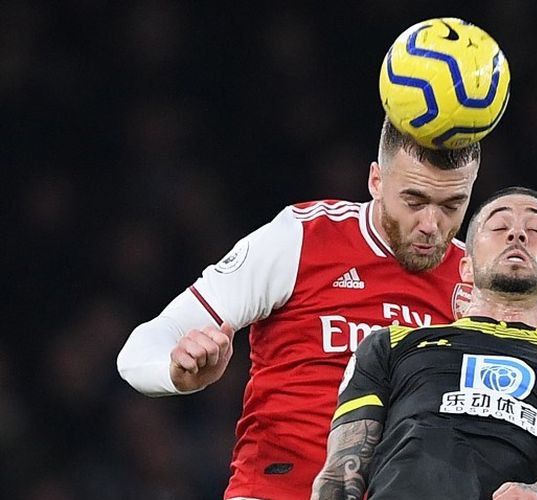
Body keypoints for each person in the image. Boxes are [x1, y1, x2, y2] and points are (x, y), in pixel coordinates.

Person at [116, 117, 483, 500]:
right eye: (414, 201)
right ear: (376, 181)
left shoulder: (475, 282)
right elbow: (139, 350)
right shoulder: (303, 237)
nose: (431, 224)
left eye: (451, 205)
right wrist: (176, 371)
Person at [311, 186, 537, 500]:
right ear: (465, 266)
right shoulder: (391, 345)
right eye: (499, 226)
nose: (516, 235)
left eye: (534, 229)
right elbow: (341, 472)